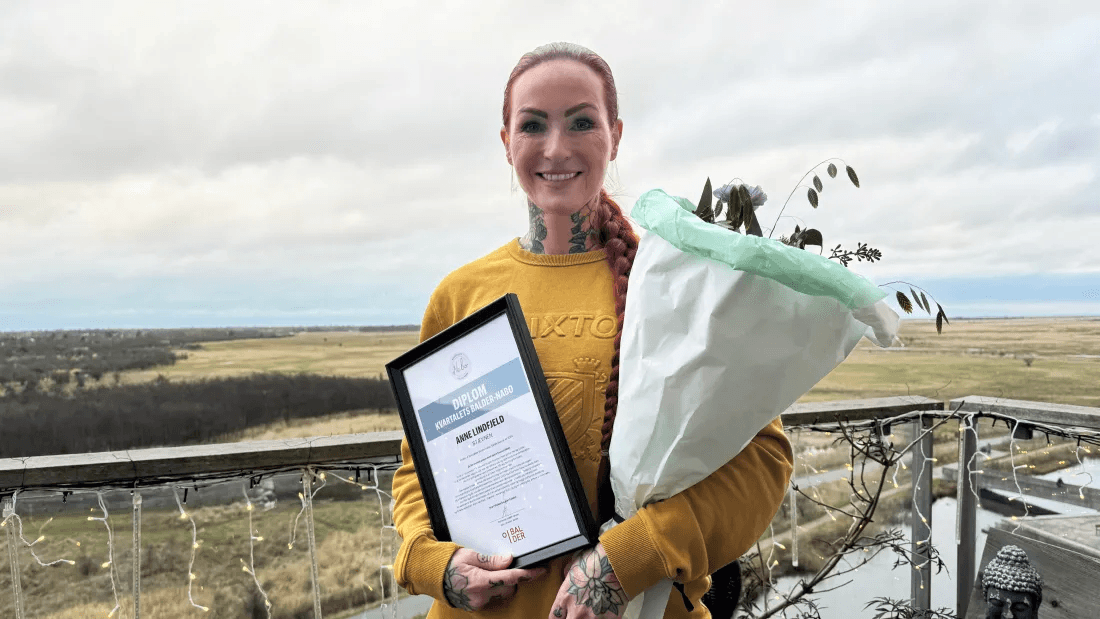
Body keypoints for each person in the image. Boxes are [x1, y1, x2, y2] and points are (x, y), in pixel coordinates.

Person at [391, 42, 794, 619]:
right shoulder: (461, 295)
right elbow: (419, 468)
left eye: (582, 121)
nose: (556, 147)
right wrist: (432, 565)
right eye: (533, 125)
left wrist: (627, 560)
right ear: (507, 142)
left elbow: (763, 460)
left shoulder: (675, 281)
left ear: (615, 135)